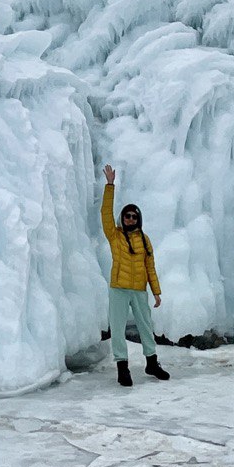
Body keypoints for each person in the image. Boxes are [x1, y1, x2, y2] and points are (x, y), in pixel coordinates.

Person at [100, 164, 170, 386]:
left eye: (134, 216)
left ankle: (152, 363)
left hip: (139, 289)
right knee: (118, 328)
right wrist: (110, 185)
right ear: (123, 218)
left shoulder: (145, 240)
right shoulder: (115, 236)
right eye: (127, 216)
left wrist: (156, 292)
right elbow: (105, 214)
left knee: (146, 327)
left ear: (138, 219)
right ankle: (123, 368)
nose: (130, 219)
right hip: (119, 288)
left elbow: (150, 267)